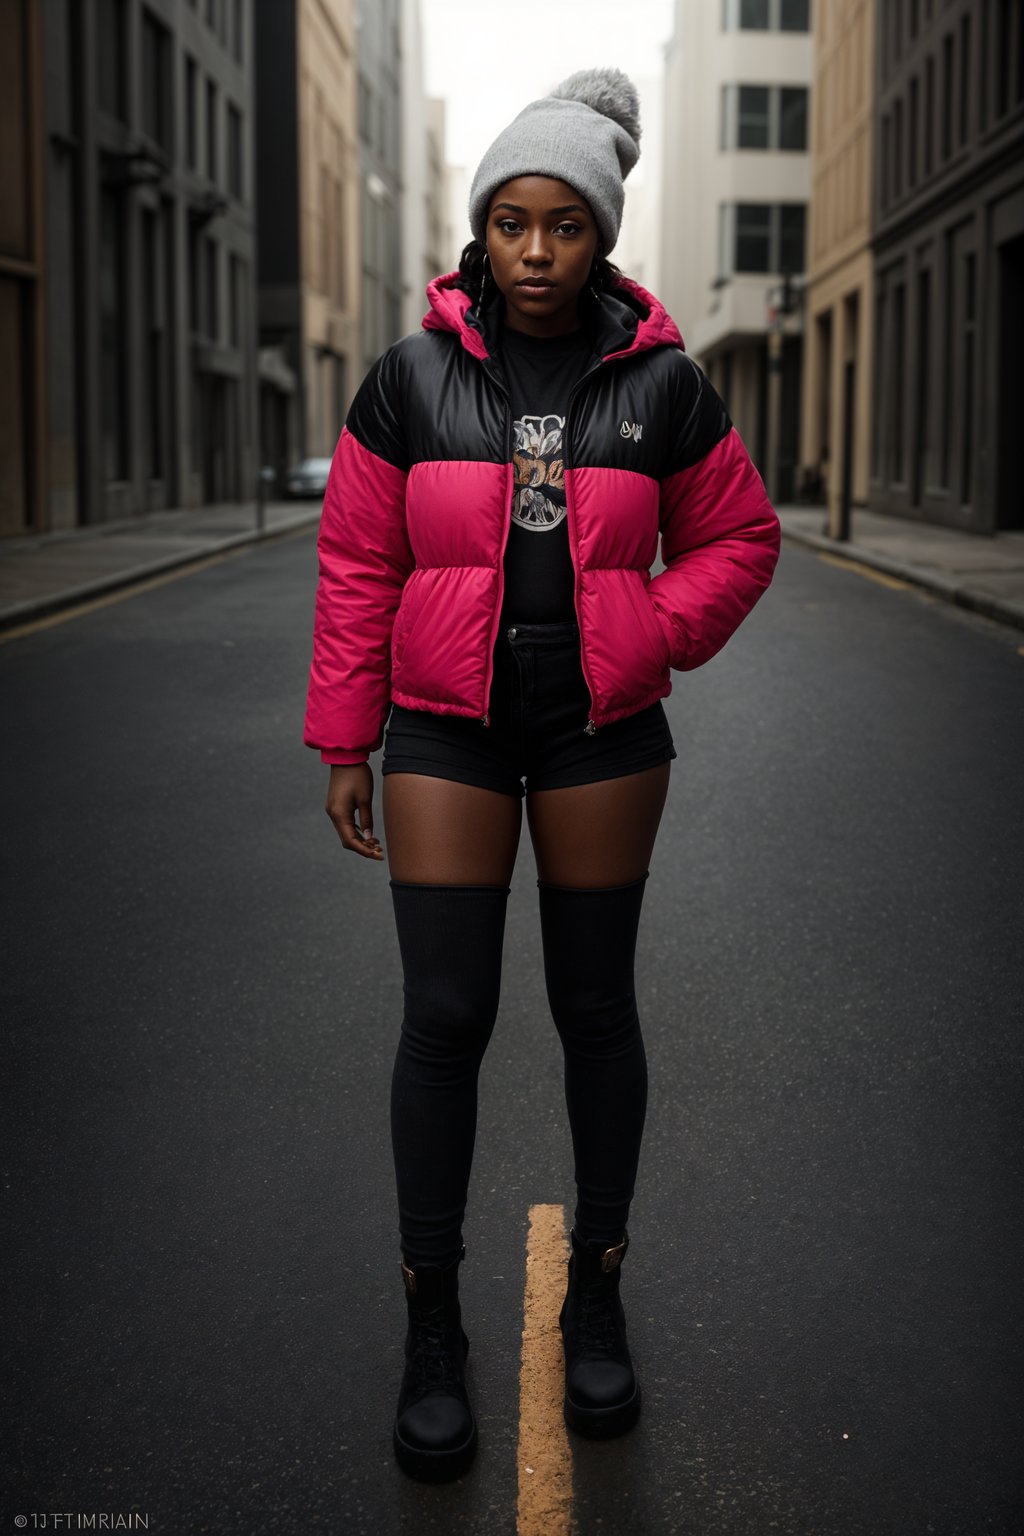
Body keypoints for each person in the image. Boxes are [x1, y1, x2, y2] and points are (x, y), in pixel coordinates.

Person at [305, 67, 780, 1483]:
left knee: (593, 1011)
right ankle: (434, 1326)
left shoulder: (665, 386)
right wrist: (346, 735)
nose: (531, 248)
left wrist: (646, 627)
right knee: (445, 1014)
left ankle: (597, 1299)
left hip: (599, 737)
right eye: (508, 219)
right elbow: (355, 564)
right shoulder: (410, 379)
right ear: (479, 232)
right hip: (445, 725)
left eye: (561, 223)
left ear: (600, 236)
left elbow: (739, 539)